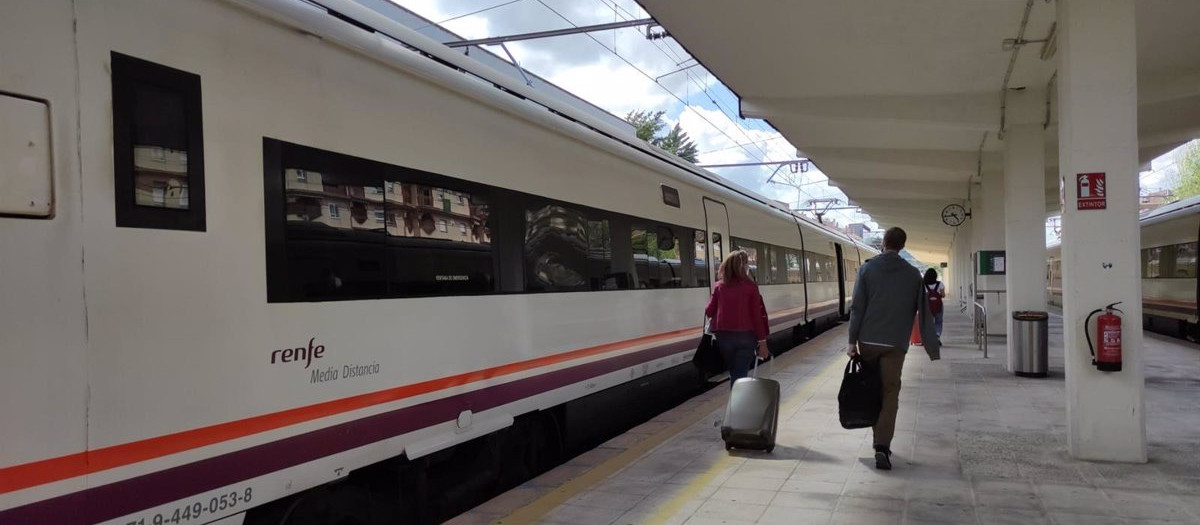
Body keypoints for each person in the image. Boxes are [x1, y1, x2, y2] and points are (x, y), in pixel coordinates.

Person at [847, 227, 940, 470]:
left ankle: (874, 434)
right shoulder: (912, 274)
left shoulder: (867, 269)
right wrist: (932, 346)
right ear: (902, 246)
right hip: (895, 344)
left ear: (884, 242)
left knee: (871, 389)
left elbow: (857, 308)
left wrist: (851, 341)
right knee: (890, 393)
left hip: (868, 341)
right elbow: (923, 311)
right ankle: (882, 446)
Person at [704, 250, 770, 386]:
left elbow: (709, 311)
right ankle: (737, 403)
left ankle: (735, 400)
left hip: (724, 338)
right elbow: (757, 316)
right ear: (744, 267)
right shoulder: (751, 287)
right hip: (746, 337)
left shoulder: (719, 286)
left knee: (734, 372)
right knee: (740, 373)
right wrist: (762, 342)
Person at [923, 268, 946, 337]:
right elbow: (943, 295)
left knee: (929, 322)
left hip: (927, 306)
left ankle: (930, 336)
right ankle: (937, 334)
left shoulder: (924, 284)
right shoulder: (940, 284)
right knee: (938, 321)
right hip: (938, 306)